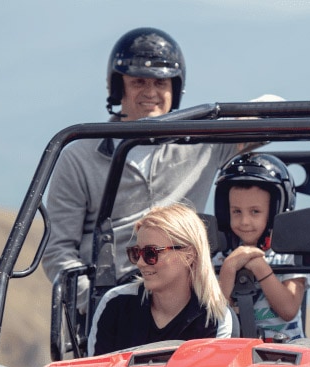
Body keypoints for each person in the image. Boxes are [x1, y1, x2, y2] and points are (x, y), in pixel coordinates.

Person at [42, 27, 263, 311]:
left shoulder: (201, 142)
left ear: (175, 89)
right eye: (139, 82)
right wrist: (98, 305)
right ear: (119, 88)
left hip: (189, 295)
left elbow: (273, 111)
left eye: (161, 83)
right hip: (113, 296)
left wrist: (211, 117)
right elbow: (58, 252)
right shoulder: (78, 156)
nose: (151, 93)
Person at [87, 203, 234, 355]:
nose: (140, 263)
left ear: (189, 255)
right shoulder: (114, 303)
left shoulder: (215, 318)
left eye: (151, 253)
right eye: (136, 252)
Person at [213, 153, 309, 341]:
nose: (245, 221)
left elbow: (289, 309)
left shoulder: (289, 255)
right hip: (235, 351)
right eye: (236, 212)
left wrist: (258, 266)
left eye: (255, 212)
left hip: (287, 352)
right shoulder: (219, 258)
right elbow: (215, 316)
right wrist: (229, 268)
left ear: (275, 211)